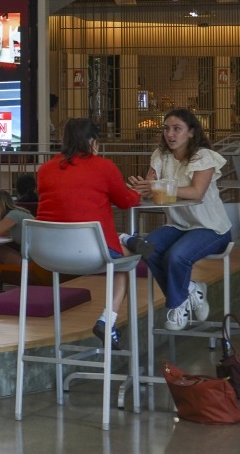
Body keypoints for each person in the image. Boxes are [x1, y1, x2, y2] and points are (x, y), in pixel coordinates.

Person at [36, 118, 142, 350]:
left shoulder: (44, 170)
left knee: (122, 249)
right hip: (94, 253)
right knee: (126, 264)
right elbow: (125, 202)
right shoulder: (104, 167)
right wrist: (136, 192)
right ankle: (107, 320)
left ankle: (125, 238)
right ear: (93, 142)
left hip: (47, 254)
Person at [124, 109, 232, 331]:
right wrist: (142, 189)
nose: (170, 134)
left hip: (211, 228)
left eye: (177, 129)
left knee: (176, 256)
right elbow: (152, 189)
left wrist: (155, 187)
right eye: (166, 129)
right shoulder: (160, 156)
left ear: (191, 132)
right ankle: (190, 289)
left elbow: (196, 193)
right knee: (147, 248)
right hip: (178, 225)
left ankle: (176, 305)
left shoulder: (204, 156)